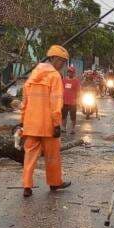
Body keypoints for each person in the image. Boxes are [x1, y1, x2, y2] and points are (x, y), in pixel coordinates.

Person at [20, 45, 72, 197]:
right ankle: (55, 183)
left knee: (29, 156)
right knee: (52, 156)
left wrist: (23, 121)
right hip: (48, 125)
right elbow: (56, 103)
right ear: (53, 59)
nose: (63, 65)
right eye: (62, 61)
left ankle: (27, 186)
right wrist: (57, 124)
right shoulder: (54, 76)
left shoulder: (32, 76)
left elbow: (24, 102)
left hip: (31, 125)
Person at [62, 66, 80, 134]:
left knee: (73, 116)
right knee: (64, 116)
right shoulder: (63, 80)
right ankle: (64, 128)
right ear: (67, 73)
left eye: (72, 72)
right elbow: (61, 89)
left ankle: (73, 129)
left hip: (73, 102)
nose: (70, 73)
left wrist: (78, 100)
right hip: (64, 102)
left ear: (74, 73)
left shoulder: (76, 81)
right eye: (69, 72)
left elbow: (78, 91)